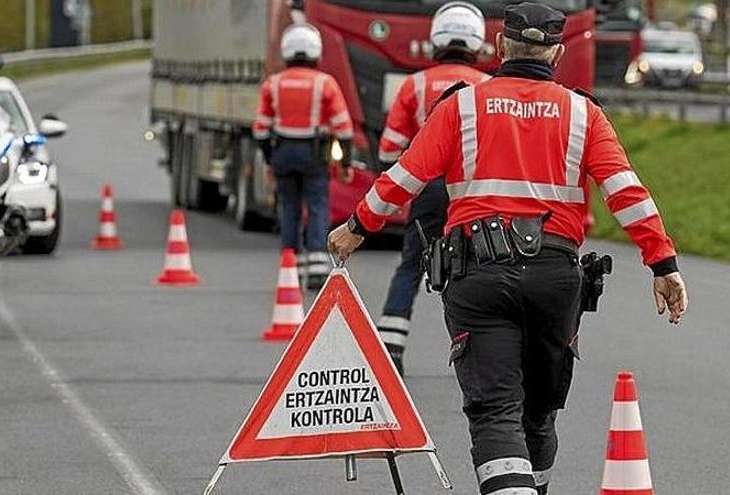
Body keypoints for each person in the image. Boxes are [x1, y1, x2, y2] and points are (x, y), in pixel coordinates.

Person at [328, 4, 689, 494]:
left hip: (478, 276)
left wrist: (356, 226)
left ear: (499, 47)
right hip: (555, 279)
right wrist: (662, 264)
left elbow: (403, 178)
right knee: (539, 412)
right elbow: (627, 193)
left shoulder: (462, 106)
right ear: (558, 53)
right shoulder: (585, 113)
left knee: (495, 409)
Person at [375, 1, 490, 376]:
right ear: (478, 42)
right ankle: (480, 353)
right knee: (477, 268)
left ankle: (390, 347)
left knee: (412, 264)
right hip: (473, 193)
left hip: (427, 189)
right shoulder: (488, 87)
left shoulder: (415, 84)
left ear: (435, 39)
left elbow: (389, 149)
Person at [252, 22, 353, 290]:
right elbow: (343, 127)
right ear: (316, 53)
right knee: (318, 204)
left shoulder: (272, 84)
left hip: (283, 152)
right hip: (313, 153)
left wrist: (269, 159)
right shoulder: (325, 83)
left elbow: (260, 129)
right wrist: (346, 163)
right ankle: (318, 267)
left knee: (289, 207)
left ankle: (290, 265)